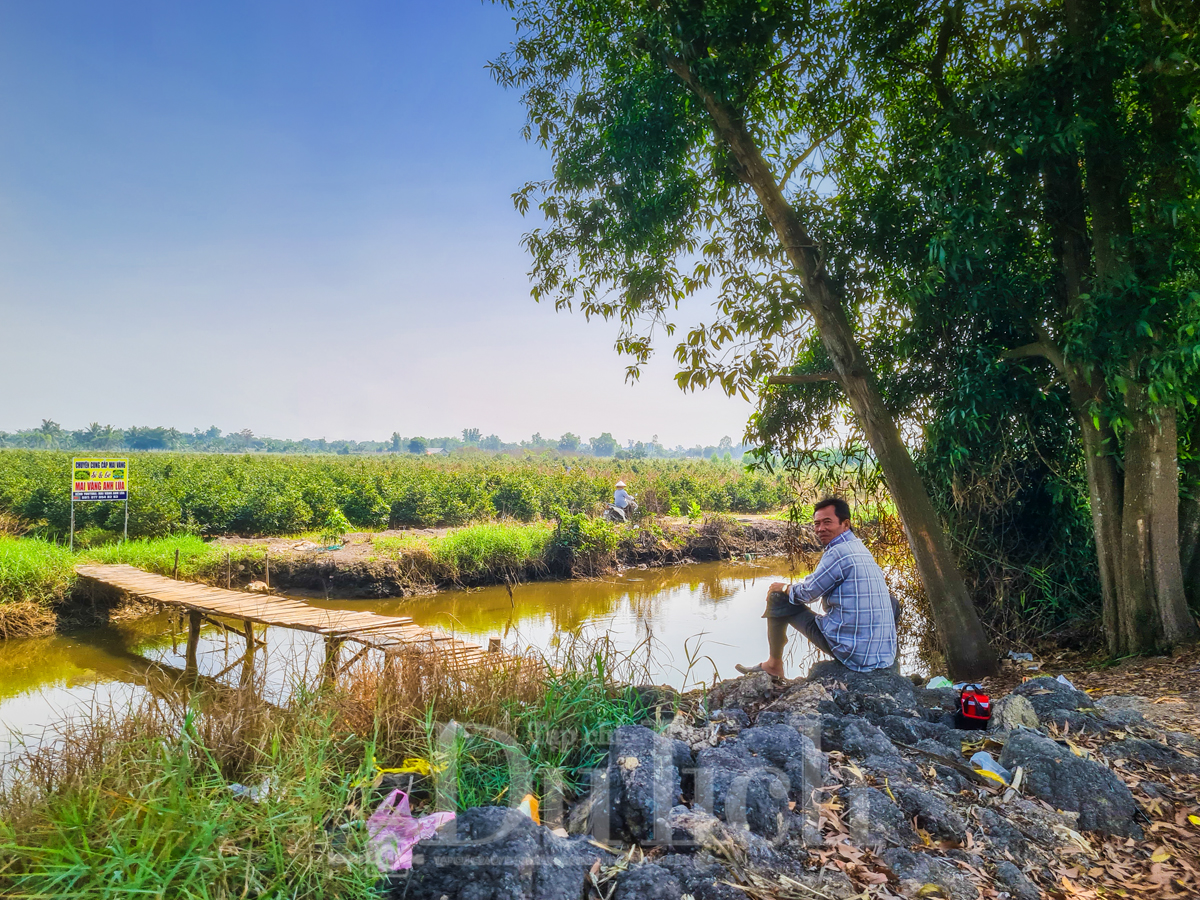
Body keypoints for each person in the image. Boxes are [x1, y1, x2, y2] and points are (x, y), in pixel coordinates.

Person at [738, 496, 899, 677]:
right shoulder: (859, 548)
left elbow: (807, 593)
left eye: (827, 522)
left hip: (852, 654)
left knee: (779, 598)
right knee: (891, 602)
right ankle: (887, 658)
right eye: (817, 523)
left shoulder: (838, 552)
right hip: (883, 657)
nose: (820, 529)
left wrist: (784, 588)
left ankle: (774, 665)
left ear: (845, 524)